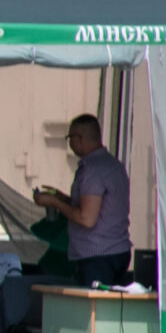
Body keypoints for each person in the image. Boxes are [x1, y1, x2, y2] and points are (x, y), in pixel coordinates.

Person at [34, 113, 131, 286]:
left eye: (69, 137)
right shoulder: (114, 166)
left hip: (98, 254)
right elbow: (100, 206)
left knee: (95, 309)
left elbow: (86, 218)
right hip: (117, 250)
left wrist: (55, 203)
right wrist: (63, 198)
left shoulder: (92, 170)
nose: (69, 143)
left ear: (79, 139)